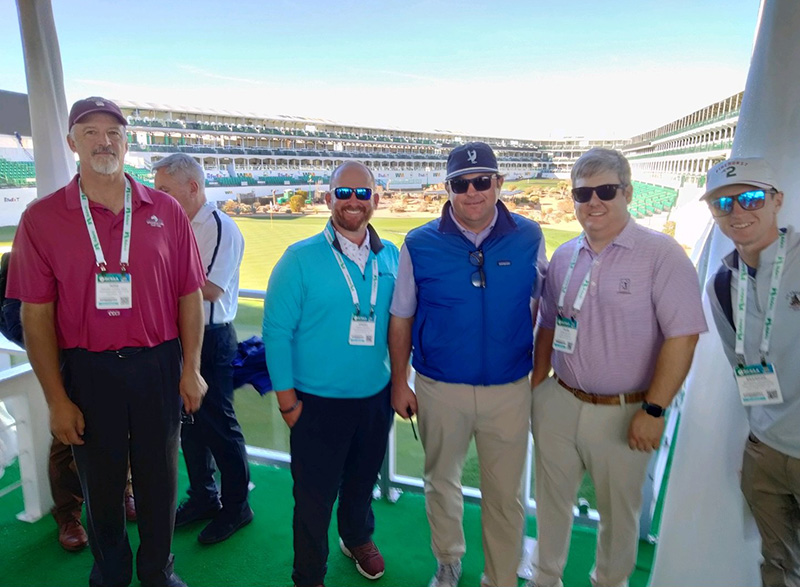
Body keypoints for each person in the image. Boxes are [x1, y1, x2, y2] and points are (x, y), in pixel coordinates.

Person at [7, 97, 207, 587]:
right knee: (101, 487)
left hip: (157, 364)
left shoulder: (164, 210)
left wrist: (191, 367)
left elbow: (189, 294)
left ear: (126, 141)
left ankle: (159, 573)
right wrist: (56, 398)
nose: (104, 141)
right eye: (90, 131)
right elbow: (36, 316)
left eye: (114, 132)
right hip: (88, 370)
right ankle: (111, 575)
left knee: (159, 482)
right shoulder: (42, 218)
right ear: (72, 141)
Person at [530, 147, 707, 587]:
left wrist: (654, 410)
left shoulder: (661, 254)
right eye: (582, 193)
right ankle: (544, 577)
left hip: (625, 409)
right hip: (560, 398)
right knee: (551, 503)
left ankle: (609, 582)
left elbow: (682, 337)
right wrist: (535, 390)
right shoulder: (566, 255)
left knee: (619, 515)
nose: (594, 202)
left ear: (627, 192)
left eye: (605, 190)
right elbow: (549, 327)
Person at [389, 141, 547, 587]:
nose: (472, 191)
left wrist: (534, 370)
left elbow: (544, 308)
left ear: (498, 183)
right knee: (441, 481)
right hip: (440, 386)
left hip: (509, 389)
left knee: (507, 495)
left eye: (482, 181)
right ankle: (448, 560)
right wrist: (400, 382)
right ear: (448, 188)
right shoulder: (418, 243)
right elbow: (402, 316)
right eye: (462, 183)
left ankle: (500, 578)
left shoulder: (530, 236)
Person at [263, 161, 398, 587]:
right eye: (343, 193)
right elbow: (276, 331)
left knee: (361, 484)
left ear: (376, 200)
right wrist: (287, 403)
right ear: (328, 199)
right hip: (315, 405)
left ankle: (356, 537)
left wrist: (401, 383)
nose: (353, 201)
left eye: (362, 193)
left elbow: (402, 323)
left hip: (374, 398)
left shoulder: (392, 256)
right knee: (313, 500)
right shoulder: (299, 258)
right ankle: (309, 575)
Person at [703, 157, 800, 587]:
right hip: (765, 452)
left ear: (776, 200)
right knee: (777, 566)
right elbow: (741, 367)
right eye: (723, 203)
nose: (738, 212)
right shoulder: (721, 283)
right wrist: (758, 442)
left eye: (751, 198)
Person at [152, 153, 252, 544]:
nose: (156, 196)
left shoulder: (217, 226)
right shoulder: (174, 224)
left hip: (211, 339)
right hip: (179, 337)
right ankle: (203, 497)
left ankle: (237, 507)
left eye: (164, 190)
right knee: (189, 426)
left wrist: (152, 281)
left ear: (192, 188)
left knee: (219, 426)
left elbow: (208, 288)